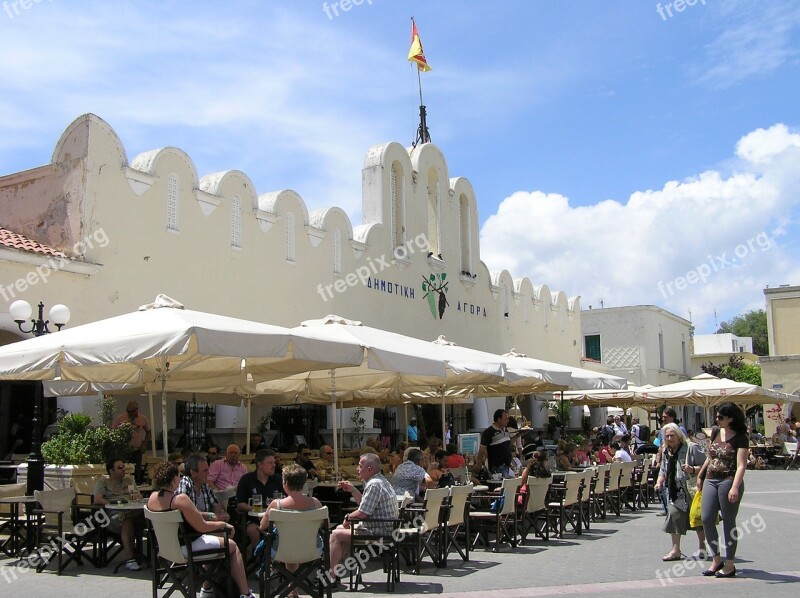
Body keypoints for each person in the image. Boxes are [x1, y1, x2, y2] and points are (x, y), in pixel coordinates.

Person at [147, 462, 255, 598]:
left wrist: (211, 517)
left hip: (166, 549)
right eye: (179, 477)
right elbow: (202, 526)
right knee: (232, 547)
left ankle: (207, 588)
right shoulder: (180, 499)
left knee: (212, 542)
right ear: (174, 479)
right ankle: (245, 594)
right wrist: (223, 525)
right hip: (187, 547)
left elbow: (192, 516)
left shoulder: (152, 498)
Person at [328, 454, 399, 585]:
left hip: (377, 533)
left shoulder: (374, 485)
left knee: (335, 535)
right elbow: (366, 505)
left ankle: (330, 577)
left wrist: (347, 517)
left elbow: (362, 513)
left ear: (370, 469)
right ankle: (335, 573)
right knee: (339, 530)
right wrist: (353, 490)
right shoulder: (381, 481)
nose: (357, 469)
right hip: (386, 530)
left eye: (360, 466)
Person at [697, 402, 749, 578]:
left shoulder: (740, 437)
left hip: (728, 480)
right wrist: (701, 475)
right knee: (707, 518)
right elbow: (710, 457)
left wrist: (735, 486)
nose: (716, 419)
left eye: (720, 417)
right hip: (711, 479)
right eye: (716, 416)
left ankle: (730, 563)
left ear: (730, 418)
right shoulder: (715, 432)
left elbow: (742, 465)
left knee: (728, 521)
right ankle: (716, 559)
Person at [257, 463, 323, 585]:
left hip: (282, 551)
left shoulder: (276, 505)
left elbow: (262, 526)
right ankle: (292, 588)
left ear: (285, 483)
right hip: (312, 550)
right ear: (304, 484)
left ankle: (291, 588)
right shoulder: (315, 503)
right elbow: (324, 525)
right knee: (295, 541)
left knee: (288, 543)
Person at [654, 423, 707, 562]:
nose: (670, 438)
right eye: (667, 436)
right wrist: (659, 482)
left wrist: (693, 469)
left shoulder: (691, 448)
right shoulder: (666, 451)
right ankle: (675, 550)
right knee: (674, 516)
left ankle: (702, 547)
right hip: (675, 492)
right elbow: (663, 470)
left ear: (679, 436)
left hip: (691, 490)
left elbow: (706, 466)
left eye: (672, 435)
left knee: (697, 519)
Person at [93, 458, 143, 571]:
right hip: (113, 515)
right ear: (111, 470)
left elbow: (139, 497)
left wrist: (133, 495)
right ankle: (130, 559)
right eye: (120, 468)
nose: (123, 469)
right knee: (127, 520)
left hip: (131, 510)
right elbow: (97, 499)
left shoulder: (128, 481)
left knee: (147, 514)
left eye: (124, 466)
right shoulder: (103, 482)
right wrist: (111, 504)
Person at [236, 449, 283, 551]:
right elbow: (240, 503)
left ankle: (277, 558)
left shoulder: (278, 479)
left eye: (274, 462)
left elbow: (286, 499)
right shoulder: (246, 479)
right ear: (260, 464)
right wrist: (255, 510)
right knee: (253, 530)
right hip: (252, 520)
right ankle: (260, 558)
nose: (274, 465)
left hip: (274, 518)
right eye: (270, 463)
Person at [176, 454, 230, 522]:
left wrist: (222, 513)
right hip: (190, 529)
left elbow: (216, 504)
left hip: (205, 526)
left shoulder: (205, 486)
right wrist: (211, 516)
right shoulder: (185, 483)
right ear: (193, 473)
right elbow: (183, 509)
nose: (208, 473)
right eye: (205, 470)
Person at [112, 400, 150, 485]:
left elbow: (148, 431)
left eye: (132, 411)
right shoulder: (121, 418)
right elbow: (112, 431)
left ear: (136, 410)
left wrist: (145, 444)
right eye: (128, 412)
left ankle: (137, 487)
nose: (130, 414)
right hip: (124, 450)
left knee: (137, 471)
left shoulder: (143, 419)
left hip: (137, 450)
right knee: (124, 469)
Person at [475, 408, 513, 478]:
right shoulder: (489, 432)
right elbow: (482, 449)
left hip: (507, 465)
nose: (508, 421)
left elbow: (507, 445)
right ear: (499, 419)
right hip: (497, 466)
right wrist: (478, 462)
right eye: (505, 419)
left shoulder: (506, 430)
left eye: (508, 418)